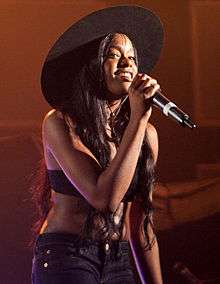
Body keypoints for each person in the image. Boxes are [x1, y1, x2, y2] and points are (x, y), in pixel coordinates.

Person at [31, 6, 164, 284]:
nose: (126, 63)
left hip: (119, 258)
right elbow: (103, 198)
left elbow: (141, 225)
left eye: (132, 58)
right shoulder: (60, 123)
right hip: (68, 255)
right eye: (114, 55)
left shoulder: (145, 133)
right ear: (92, 65)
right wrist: (138, 119)